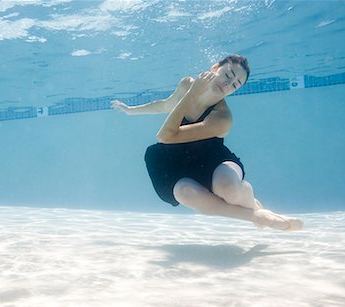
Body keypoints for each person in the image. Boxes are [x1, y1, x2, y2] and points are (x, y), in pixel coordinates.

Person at [111, 55, 302, 231]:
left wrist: (193, 92)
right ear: (215, 67)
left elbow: (166, 136)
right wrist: (132, 110)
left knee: (227, 188)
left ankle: (253, 204)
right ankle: (256, 215)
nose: (228, 84)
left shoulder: (222, 117)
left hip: (213, 159)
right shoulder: (187, 84)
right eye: (229, 74)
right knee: (186, 193)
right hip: (175, 161)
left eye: (235, 85)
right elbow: (166, 105)